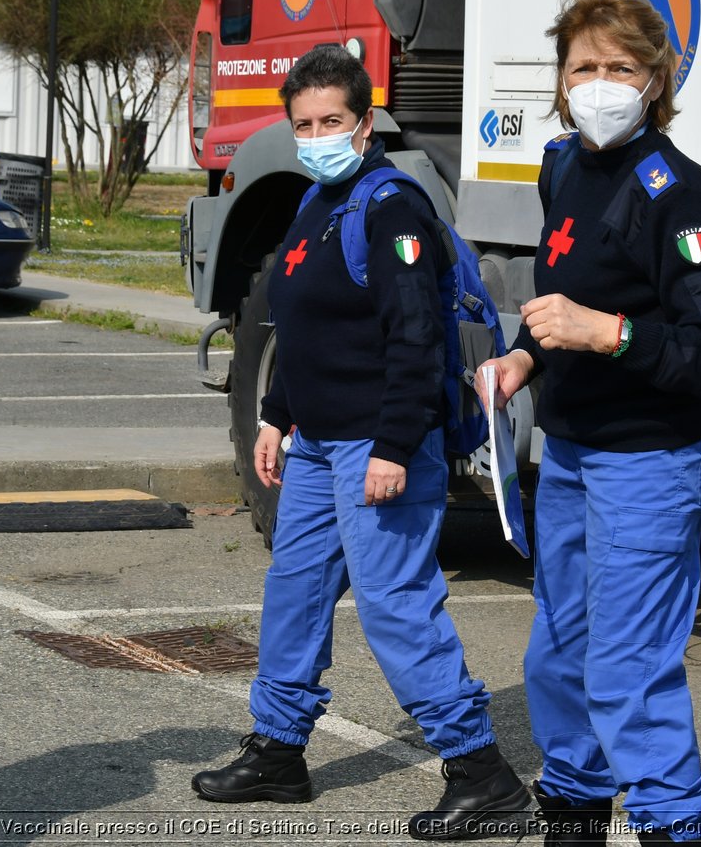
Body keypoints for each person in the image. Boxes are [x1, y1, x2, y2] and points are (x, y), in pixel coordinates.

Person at [191, 45, 529, 839]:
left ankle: (484, 776)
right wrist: (275, 413)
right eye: (303, 123)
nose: (316, 135)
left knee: (396, 608)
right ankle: (277, 751)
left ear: (364, 122)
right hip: (315, 443)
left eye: (331, 121)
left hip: (377, 444)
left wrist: (393, 445)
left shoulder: (392, 208)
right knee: (295, 592)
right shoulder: (316, 204)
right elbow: (299, 327)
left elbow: (414, 338)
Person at [481, 0, 701, 847]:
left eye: (620, 66)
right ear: (560, 80)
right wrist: (527, 358)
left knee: (628, 668)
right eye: (583, 65)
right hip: (570, 449)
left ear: (655, 80)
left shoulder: (680, 193)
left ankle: (676, 822)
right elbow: (571, 295)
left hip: (651, 456)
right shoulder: (561, 165)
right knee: (558, 653)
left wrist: (611, 333)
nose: (600, 80)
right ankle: (573, 807)